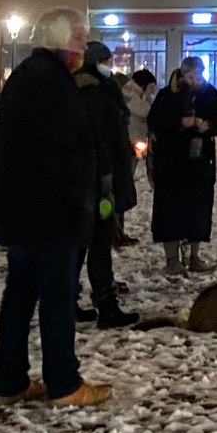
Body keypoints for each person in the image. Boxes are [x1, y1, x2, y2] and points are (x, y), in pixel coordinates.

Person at [0, 8, 110, 406]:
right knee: (57, 298)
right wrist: (81, 197)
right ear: (60, 41)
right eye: (79, 40)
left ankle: (9, 381)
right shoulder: (51, 82)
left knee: (20, 296)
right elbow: (63, 150)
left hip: (24, 210)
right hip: (51, 212)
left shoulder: (28, 76)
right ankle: (64, 383)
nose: (83, 48)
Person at [72, 41, 139, 329]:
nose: (110, 66)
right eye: (106, 61)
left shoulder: (102, 88)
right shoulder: (91, 93)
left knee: (88, 243)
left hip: (102, 178)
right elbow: (98, 140)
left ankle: (70, 302)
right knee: (98, 242)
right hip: (100, 182)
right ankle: (105, 306)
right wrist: (107, 179)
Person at [148, 56, 217, 275]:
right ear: (182, 74)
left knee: (198, 209)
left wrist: (210, 126)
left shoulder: (208, 93)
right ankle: (172, 258)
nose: (195, 80)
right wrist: (179, 123)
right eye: (191, 76)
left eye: (198, 75)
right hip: (171, 163)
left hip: (199, 162)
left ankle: (194, 255)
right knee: (170, 210)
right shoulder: (167, 95)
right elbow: (155, 122)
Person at [118, 67, 157, 245]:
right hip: (126, 145)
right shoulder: (130, 92)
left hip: (134, 145)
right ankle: (117, 231)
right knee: (122, 187)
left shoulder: (140, 95)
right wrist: (147, 98)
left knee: (125, 186)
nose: (152, 91)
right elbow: (145, 111)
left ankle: (119, 230)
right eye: (151, 87)